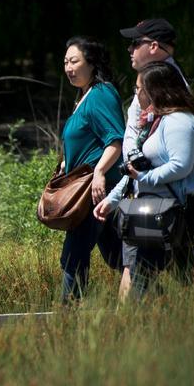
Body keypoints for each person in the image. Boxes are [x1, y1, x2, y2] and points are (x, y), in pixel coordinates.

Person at [93, 62, 194, 298]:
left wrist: (145, 176)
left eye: (138, 89)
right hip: (155, 211)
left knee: (139, 278)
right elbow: (137, 169)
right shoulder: (158, 120)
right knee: (189, 277)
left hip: (165, 213)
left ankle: (134, 325)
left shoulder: (179, 121)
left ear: (155, 90)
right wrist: (113, 200)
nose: (137, 95)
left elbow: (180, 165)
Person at [120, 18, 194, 284]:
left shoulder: (166, 84)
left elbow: (179, 161)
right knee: (179, 268)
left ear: (153, 46)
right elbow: (133, 131)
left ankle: (130, 321)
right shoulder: (150, 78)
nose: (130, 50)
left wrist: (142, 174)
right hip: (153, 197)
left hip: (163, 200)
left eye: (135, 43)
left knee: (139, 269)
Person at [54, 37, 125, 302]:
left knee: (73, 256)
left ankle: (66, 318)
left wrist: (99, 172)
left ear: (92, 63)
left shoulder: (101, 94)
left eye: (74, 61)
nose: (69, 68)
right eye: (65, 62)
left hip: (95, 191)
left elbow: (115, 141)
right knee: (117, 256)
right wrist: (65, 165)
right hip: (89, 189)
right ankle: (157, 302)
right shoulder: (84, 97)